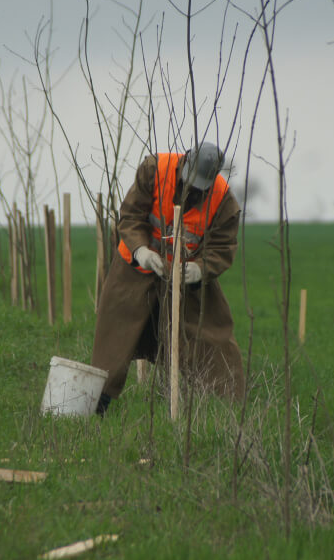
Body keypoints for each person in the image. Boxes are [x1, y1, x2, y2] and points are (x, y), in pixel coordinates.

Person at [91, 142, 244, 415]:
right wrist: (140, 251)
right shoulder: (154, 169)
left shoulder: (225, 202)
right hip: (134, 268)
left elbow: (222, 247)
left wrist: (200, 268)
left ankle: (227, 408)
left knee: (213, 336)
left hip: (187, 280)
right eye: (190, 182)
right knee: (115, 330)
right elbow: (130, 214)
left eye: (201, 187)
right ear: (183, 162)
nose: (193, 191)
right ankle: (97, 402)